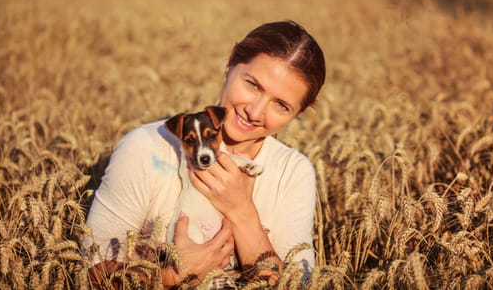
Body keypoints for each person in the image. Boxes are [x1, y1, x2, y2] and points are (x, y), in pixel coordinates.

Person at [81, 20, 326, 288]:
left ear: (298, 113)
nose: (254, 113)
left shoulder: (292, 173)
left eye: (281, 105)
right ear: (230, 63)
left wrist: (241, 211)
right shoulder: (147, 147)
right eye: (253, 85)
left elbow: (299, 284)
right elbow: (91, 269)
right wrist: (171, 277)